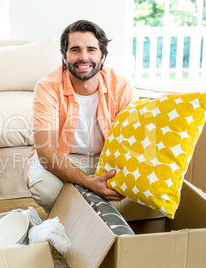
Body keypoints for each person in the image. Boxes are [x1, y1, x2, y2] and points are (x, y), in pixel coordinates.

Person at [27, 20, 140, 213]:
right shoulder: (47, 87)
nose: (83, 57)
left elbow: (136, 142)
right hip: (64, 157)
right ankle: (80, 212)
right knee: (43, 188)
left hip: (106, 159)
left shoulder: (122, 87)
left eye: (91, 50)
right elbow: (46, 152)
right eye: (75, 50)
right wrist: (90, 183)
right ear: (64, 56)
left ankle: (81, 212)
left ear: (103, 56)